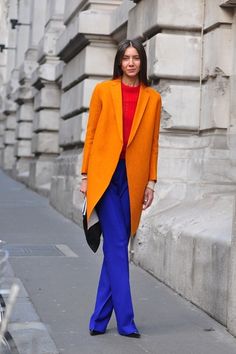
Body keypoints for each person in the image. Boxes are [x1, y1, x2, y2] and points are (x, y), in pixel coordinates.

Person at [80, 38, 162, 338]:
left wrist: (151, 181)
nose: (130, 63)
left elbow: (153, 143)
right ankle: (126, 320)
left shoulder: (152, 98)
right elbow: (90, 136)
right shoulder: (103, 91)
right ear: (119, 62)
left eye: (136, 57)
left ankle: (99, 319)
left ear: (142, 62)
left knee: (116, 247)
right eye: (126, 57)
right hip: (105, 176)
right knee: (116, 246)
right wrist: (85, 175)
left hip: (134, 178)